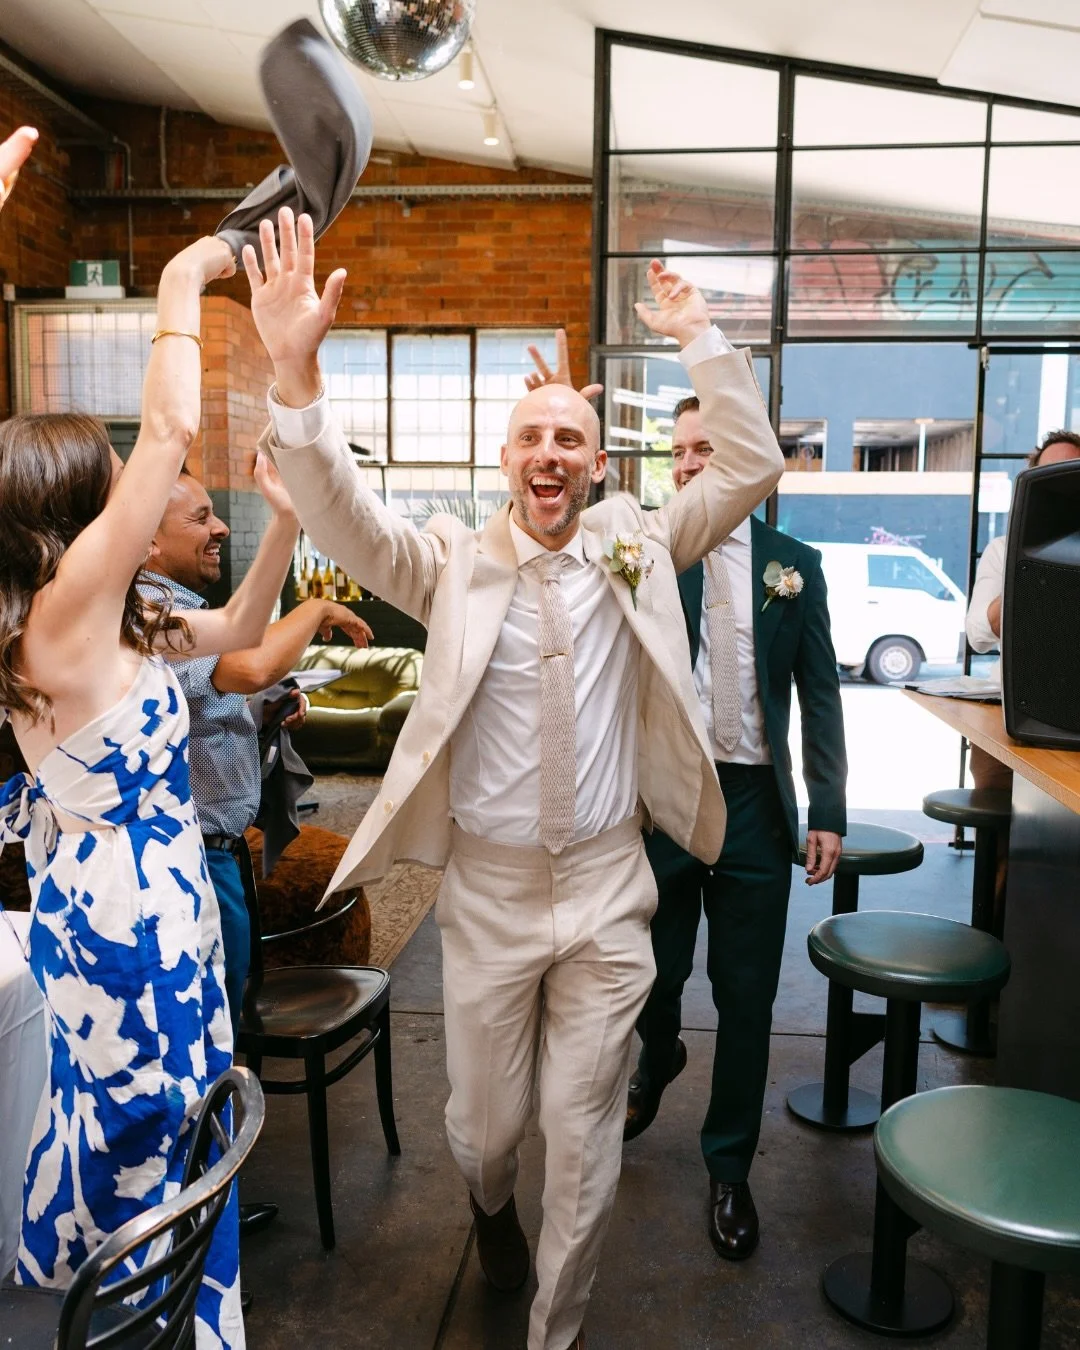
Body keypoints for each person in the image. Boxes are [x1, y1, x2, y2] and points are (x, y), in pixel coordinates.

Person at [242, 208, 785, 1350]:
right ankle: (490, 1209)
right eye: (531, 436)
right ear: (504, 461)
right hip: (486, 897)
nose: (549, 454)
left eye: (569, 439)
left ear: (598, 464)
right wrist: (295, 377)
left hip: (608, 891)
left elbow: (752, 463)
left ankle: (555, 1331)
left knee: (582, 1137)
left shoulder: (643, 544)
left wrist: (699, 337)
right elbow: (343, 512)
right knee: (486, 1133)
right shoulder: (446, 563)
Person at [0, 140, 292, 1343]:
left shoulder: (118, 620)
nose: (141, 477)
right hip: (123, 927)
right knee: (140, 1153)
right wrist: (182, 279)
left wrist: (285, 519)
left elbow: (239, 629)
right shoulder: (58, 621)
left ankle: (162, 1315)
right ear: (73, 514)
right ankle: (136, 1321)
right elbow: (171, 418)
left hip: (159, 903)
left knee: (174, 1144)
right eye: (117, 477)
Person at [621, 392, 847, 1262]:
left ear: (746, 460)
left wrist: (827, 809)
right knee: (652, 973)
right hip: (671, 797)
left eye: (704, 449)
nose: (684, 464)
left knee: (746, 996)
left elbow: (821, 695)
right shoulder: (649, 556)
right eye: (677, 451)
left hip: (756, 806)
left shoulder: (795, 567)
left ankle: (728, 1167)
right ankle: (659, 1052)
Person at [143, 467, 373, 1031]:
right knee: (210, 1025)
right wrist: (315, 608)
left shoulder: (174, 604)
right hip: (193, 855)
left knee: (225, 1008)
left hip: (216, 850)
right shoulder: (146, 608)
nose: (221, 527)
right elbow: (251, 666)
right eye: (200, 517)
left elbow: (206, 695)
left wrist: (260, 712)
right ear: (148, 541)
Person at [966, 429, 1080, 791]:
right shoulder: (1003, 550)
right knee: (995, 794)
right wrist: (1026, 569)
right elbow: (978, 635)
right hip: (1017, 717)